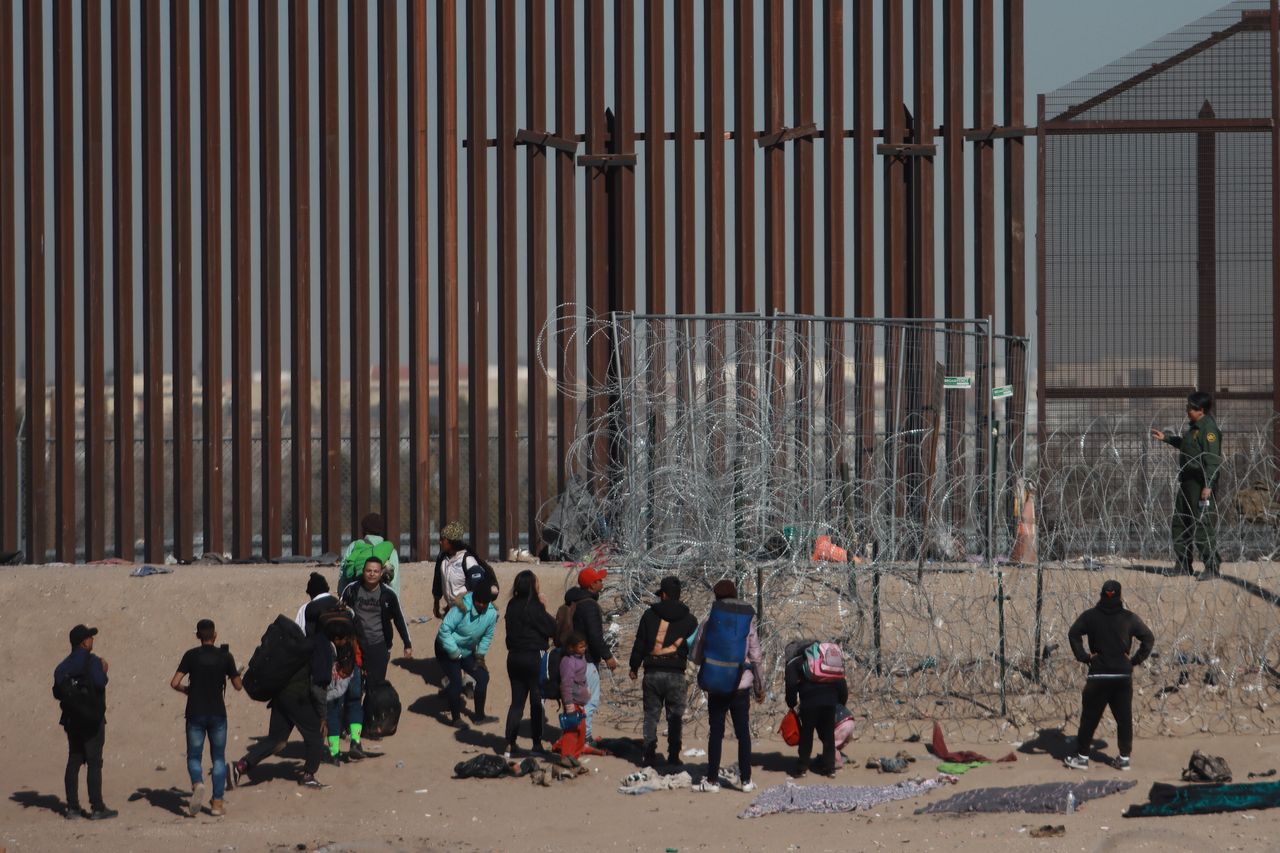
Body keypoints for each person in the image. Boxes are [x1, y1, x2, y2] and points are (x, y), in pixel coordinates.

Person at [1063, 579, 1155, 771]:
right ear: (1120, 596)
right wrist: (1134, 660)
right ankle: (1123, 758)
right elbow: (1148, 638)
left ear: (1102, 595)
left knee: (1089, 718)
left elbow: (1073, 633)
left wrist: (1084, 657)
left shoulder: (1090, 616)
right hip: (1122, 676)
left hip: (1099, 675)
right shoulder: (1128, 618)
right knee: (1124, 718)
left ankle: (1082, 757)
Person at [231, 627, 332, 789]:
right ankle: (308, 776)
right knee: (316, 736)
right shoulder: (321, 651)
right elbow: (317, 688)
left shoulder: (300, 649)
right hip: (298, 699)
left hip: (280, 696)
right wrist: (323, 716)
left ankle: (242, 766)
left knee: (276, 740)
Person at [691, 580, 764, 793]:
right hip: (741, 685)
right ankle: (746, 780)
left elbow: (696, 654)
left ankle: (712, 780)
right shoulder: (746, 623)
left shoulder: (709, 621)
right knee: (743, 733)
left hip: (716, 684)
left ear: (716, 597)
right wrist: (760, 686)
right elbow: (756, 656)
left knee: (716, 732)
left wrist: (706, 664)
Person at [170, 619, 243, 817]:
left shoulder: (191, 655)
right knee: (218, 758)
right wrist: (234, 673)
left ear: (198, 636)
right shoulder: (225, 656)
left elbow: (174, 682)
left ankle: (198, 783)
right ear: (215, 635)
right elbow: (238, 685)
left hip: (195, 711)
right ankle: (217, 803)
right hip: (218, 713)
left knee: (194, 755)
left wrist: (188, 691)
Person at [627, 575, 698, 767]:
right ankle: (673, 755)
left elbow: (640, 642)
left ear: (664, 595)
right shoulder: (690, 620)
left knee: (651, 715)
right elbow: (695, 649)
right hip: (676, 673)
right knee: (675, 717)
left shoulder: (649, 615)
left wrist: (634, 665)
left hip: (652, 672)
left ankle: (649, 753)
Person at [1151, 391, 1223, 579]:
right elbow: (1187, 446)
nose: (1187, 410)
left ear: (1201, 410)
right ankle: (1183, 564)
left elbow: (1213, 460)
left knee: (1201, 524)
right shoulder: (1195, 428)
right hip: (1187, 481)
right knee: (1180, 522)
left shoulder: (1209, 429)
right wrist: (1166, 438)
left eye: (1190, 407)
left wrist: (1208, 485)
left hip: (1200, 484)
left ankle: (1212, 567)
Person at [53, 625, 116, 820]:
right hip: (92, 719)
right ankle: (97, 807)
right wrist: (104, 670)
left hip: (72, 720)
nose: (92, 640)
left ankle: (72, 807)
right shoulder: (94, 662)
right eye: (90, 637)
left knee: (74, 759)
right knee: (94, 762)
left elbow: (57, 692)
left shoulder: (62, 666)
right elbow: (100, 683)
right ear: (84, 642)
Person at [503, 569, 557, 757]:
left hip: (514, 657)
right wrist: (543, 606)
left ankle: (509, 743)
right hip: (534, 657)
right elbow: (552, 627)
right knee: (536, 701)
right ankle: (536, 744)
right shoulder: (534, 606)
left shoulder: (511, 605)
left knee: (516, 703)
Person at [340, 556, 413, 689]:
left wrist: (407, 643)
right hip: (354, 646)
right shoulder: (351, 590)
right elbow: (339, 614)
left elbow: (399, 618)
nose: (372, 574)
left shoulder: (388, 594)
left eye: (375, 571)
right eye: (369, 571)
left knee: (375, 688)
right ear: (363, 571)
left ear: (381, 573)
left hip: (379, 645)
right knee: (354, 688)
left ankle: (371, 709)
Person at [564, 566, 618, 744]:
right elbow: (595, 636)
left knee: (575, 701)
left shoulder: (575, 601)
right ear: (591, 585)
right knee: (590, 701)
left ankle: (572, 735)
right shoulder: (589, 605)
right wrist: (607, 656)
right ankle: (584, 738)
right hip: (586, 662)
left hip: (571, 659)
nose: (602, 582)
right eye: (599, 580)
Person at [435, 584, 499, 728]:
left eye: (485, 602)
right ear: (474, 598)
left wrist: (480, 656)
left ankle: (479, 716)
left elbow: (487, 636)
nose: (481, 605)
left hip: (466, 650)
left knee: (483, 677)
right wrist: (454, 652)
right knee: (456, 682)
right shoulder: (461, 608)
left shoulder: (491, 613)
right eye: (478, 601)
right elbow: (444, 630)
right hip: (446, 648)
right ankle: (456, 719)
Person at [784, 640, 848, 778]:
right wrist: (840, 702)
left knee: (807, 734)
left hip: (809, 702)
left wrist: (791, 703)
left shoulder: (795, 663)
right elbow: (841, 681)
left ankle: (802, 767)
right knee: (828, 735)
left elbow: (790, 684)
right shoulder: (825, 659)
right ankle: (830, 768)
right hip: (830, 700)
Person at [319, 618, 370, 765]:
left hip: (333, 677)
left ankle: (334, 753)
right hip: (353, 669)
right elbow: (363, 644)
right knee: (354, 705)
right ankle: (355, 741)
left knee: (333, 712)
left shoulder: (324, 636)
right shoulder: (351, 622)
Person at [432, 522, 498, 618]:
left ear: (451, 542)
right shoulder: (442, 558)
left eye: (443, 539)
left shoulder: (467, 560)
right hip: (453, 610)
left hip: (467, 611)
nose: (440, 542)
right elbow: (437, 580)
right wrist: (436, 603)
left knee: (446, 632)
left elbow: (476, 587)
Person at [339, 512, 402, 598]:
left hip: (357, 598)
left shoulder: (354, 546)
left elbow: (344, 573)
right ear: (381, 530)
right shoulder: (391, 551)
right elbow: (393, 583)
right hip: (380, 600)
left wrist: (342, 596)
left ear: (364, 530)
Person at [296, 571, 337, 636]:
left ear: (310, 593)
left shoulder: (305, 608)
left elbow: (299, 632)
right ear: (326, 588)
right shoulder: (339, 603)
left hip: (317, 644)